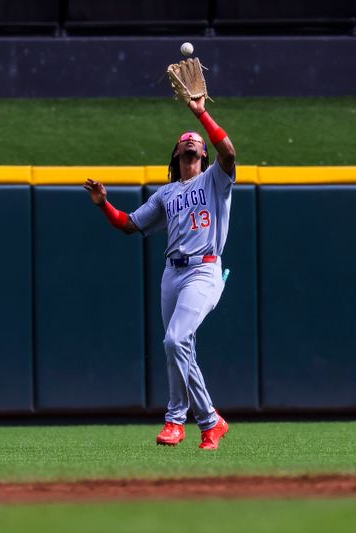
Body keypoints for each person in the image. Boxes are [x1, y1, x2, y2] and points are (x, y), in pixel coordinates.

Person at [83, 96, 236, 450]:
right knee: (180, 349)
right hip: (173, 274)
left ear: (204, 158)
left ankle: (175, 419)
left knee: (174, 341)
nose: (192, 156)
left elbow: (228, 152)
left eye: (197, 152)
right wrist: (103, 203)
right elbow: (129, 224)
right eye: (186, 152)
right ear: (177, 157)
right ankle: (211, 422)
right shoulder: (166, 194)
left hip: (204, 271)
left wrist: (201, 113)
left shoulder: (216, 180)